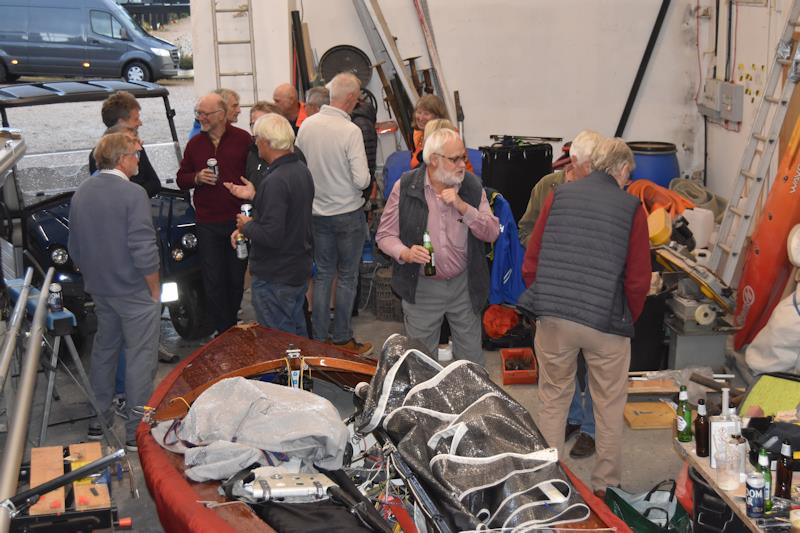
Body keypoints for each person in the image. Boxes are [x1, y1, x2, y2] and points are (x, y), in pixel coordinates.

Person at [517, 137, 651, 497]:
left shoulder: (559, 195)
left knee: (553, 397)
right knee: (608, 405)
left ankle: (546, 482)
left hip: (555, 317)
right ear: (621, 169)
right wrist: (627, 317)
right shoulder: (631, 208)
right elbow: (638, 279)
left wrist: (543, 299)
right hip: (605, 322)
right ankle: (606, 488)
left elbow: (533, 256)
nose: (628, 181)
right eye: (629, 174)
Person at [68, 132, 161, 451]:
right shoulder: (132, 194)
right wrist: (154, 290)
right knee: (140, 358)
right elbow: (143, 248)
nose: (139, 159)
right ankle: (137, 430)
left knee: (105, 351)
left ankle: (99, 419)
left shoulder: (82, 191)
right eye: (136, 154)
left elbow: (75, 249)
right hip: (134, 291)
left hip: (101, 291)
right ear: (122, 158)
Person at [376, 128, 500, 365]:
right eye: (455, 159)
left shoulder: (472, 187)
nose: (462, 164)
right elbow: (384, 235)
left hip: (464, 285)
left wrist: (463, 207)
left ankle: (471, 401)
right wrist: (405, 253)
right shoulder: (405, 187)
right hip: (422, 288)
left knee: (472, 362)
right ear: (434, 160)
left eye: (463, 157)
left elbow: (492, 232)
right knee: (420, 362)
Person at [519, 129, 604, 459]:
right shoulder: (546, 188)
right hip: (554, 290)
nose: (573, 173)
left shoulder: (601, 195)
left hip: (589, 293)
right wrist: (545, 259)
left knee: (593, 366)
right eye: (568, 167)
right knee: (558, 362)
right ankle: (572, 417)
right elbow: (526, 228)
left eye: (579, 167)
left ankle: (592, 430)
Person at [296, 72, 372, 354]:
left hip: (317, 214)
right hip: (347, 215)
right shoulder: (350, 131)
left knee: (324, 275)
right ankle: (341, 338)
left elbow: (301, 169)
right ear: (351, 99)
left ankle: (318, 337)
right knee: (348, 276)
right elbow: (362, 179)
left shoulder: (307, 126)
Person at [226, 113, 314, 335]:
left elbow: (272, 235)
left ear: (266, 142)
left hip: (276, 275)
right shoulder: (300, 170)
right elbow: (288, 212)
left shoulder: (275, 180)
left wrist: (245, 225)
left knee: (279, 345)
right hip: (295, 269)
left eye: (257, 139)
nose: (255, 144)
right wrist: (257, 197)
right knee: (297, 336)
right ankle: (302, 371)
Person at [176, 92, 250, 336]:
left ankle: (230, 324)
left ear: (221, 114)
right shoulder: (195, 144)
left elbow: (254, 177)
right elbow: (181, 178)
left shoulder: (243, 139)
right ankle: (224, 330)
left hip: (236, 222)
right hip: (207, 223)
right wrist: (196, 177)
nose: (201, 118)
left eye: (205, 114)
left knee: (236, 277)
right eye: (198, 113)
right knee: (213, 279)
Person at [92, 90, 160, 197]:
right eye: (136, 119)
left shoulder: (137, 146)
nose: (140, 122)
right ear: (121, 122)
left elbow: (155, 184)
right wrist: (136, 194)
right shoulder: (100, 154)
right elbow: (106, 193)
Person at [410, 94, 449, 169]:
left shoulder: (447, 137)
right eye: (419, 112)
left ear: (437, 116)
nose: (421, 118)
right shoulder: (420, 134)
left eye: (426, 114)